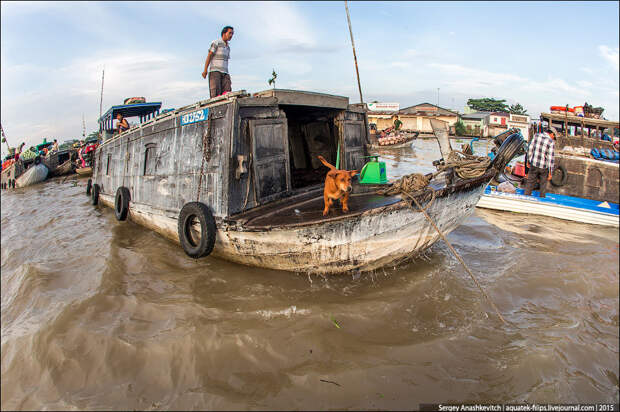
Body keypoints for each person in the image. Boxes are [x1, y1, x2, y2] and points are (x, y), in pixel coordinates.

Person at [201, 26, 234, 98]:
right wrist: (205, 70)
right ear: (224, 33)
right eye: (230, 33)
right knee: (216, 94)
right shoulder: (216, 43)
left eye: (232, 34)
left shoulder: (228, 47)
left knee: (227, 93)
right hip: (215, 72)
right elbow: (209, 55)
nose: (231, 35)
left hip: (225, 73)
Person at [524, 128, 555, 198]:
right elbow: (550, 159)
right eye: (554, 136)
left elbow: (530, 149)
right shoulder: (551, 142)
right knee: (543, 185)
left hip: (534, 164)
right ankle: (542, 199)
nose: (553, 138)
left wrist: (528, 161)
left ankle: (526, 197)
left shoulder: (536, 136)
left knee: (530, 182)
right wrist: (550, 173)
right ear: (551, 134)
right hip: (543, 167)